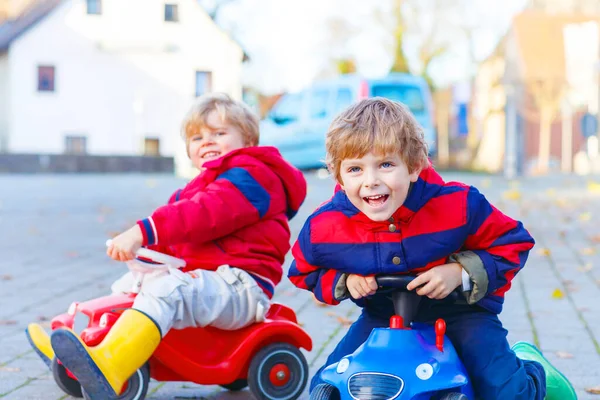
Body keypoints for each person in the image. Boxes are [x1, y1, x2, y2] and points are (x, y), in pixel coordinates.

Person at [288, 97, 576, 400]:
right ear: (338, 176)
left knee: (504, 392)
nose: (371, 181)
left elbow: (514, 243)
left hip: (461, 313)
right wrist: (344, 281)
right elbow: (303, 270)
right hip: (382, 317)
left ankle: (534, 372)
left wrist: (459, 272)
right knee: (331, 382)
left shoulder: (458, 205)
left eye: (385, 165)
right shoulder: (326, 224)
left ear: (413, 167)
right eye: (355, 169)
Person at [41, 93, 306, 399]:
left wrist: (143, 231)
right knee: (133, 284)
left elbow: (205, 213)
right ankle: (89, 346)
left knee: (169, 290)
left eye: (219, 133)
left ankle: (114, 363)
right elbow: (175, 235)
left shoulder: (251, 177)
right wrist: (147, 254)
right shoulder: (198, 187)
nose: (207, 141)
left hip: (240, 286)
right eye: (197, 137)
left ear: (247, 140)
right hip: (210, 279)